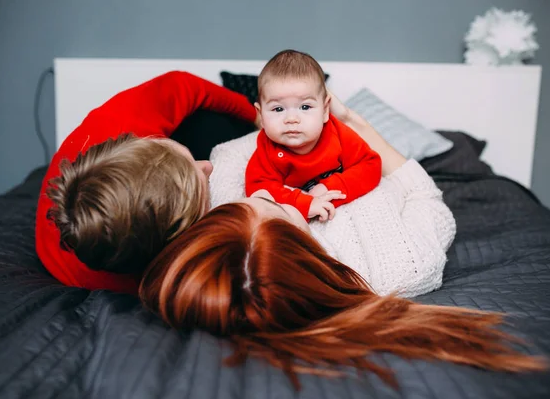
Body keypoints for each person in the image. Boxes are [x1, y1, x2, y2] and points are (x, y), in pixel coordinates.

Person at [138, 92, 547, 389]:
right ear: (302, 244)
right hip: (379, 159)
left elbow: (232, 151)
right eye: (278, 208)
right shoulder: (407, 267)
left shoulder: (222, 197)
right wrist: (365, 134)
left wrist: (290, 126)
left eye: (244, 204)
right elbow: (428, 199)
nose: (261, 192)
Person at [36, 71, 257, 296]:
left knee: (208, 124)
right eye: (200, 189)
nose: (208, 166)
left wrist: (255, 117)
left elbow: (181, 84)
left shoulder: (123, 120)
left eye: (190, 160)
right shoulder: (155, 282)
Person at [245, 50, 381, 221]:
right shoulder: (268, 148)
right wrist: (304, 203)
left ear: (325, 110)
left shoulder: (337, 134)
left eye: (305, 107)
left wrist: (330, 187)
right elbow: (259, 189)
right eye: (278, 109)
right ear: (261, 115)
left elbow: (371, 165)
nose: (292, 119)